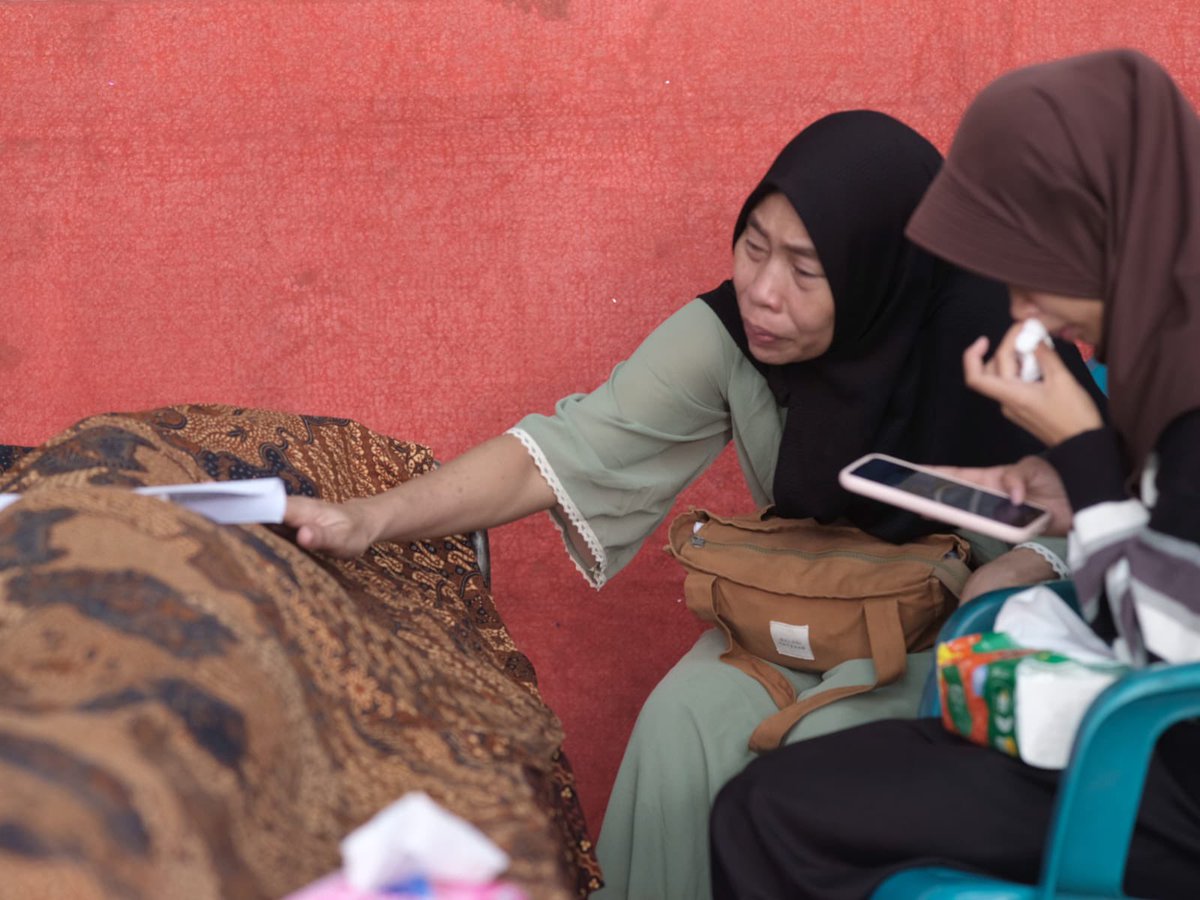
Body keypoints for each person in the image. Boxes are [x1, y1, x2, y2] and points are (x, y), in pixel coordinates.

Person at [284, 111, 1101, 900]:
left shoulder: (996, 334)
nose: (764, 292)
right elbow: (567, 449)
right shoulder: (737, 333)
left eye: (806, 270)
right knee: (680, 724)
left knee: (817, 759)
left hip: (953, 637)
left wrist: (1031, 566)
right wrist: (368, 520)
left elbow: (1112, 498)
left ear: (874, 268)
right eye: (753, 248)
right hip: (796, 608)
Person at [709, 49, 1200, 899]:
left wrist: (1083, 455)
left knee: (767, 811)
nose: (1025, 309)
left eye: (1037, 264)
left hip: (1159, 787)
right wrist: (1078, 493)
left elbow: (1169, 649)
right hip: (1127, 746)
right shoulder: (1174, 348)